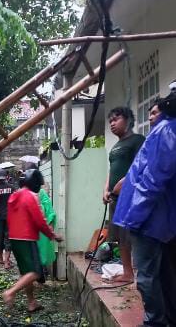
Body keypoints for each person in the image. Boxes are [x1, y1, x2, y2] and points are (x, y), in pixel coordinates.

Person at [113, 90, 176, 326]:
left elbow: (154, 178)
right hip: (159, 216)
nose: (151, 116)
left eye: (155, 111)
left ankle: (154, 322)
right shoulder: (167, 129)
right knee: (165, 274)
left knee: (148, 276)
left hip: (149, 217)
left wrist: (135, 215)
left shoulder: (166, 131)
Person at [2, 169, 63, 312]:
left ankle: (31, 302)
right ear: (35, 183)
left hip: (14, 238)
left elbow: (9, 218)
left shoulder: (14, 195)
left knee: (26, 272)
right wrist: (52, 235)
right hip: (27, 238)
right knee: (36, 272)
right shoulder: (30, 196)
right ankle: (10, 292)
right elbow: (39, 221)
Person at [102, 107, 145, 282]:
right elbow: (111, 171)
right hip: (115, 198)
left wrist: (125, 183)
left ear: (128, 120)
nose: (112, 123)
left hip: (132, 197)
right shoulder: (115, 146)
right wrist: (106, 188)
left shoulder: (137, 140)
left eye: (116, 119)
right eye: (110, 120)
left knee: (133, 236)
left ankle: (143, 274)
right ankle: (128, 273)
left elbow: (142, 166)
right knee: (121, 238)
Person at [0, 169, 16, 269]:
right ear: (6, 177)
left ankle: (1, 258)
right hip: (9, 216)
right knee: (8, 238)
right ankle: (7, 262)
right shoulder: (11, 188)